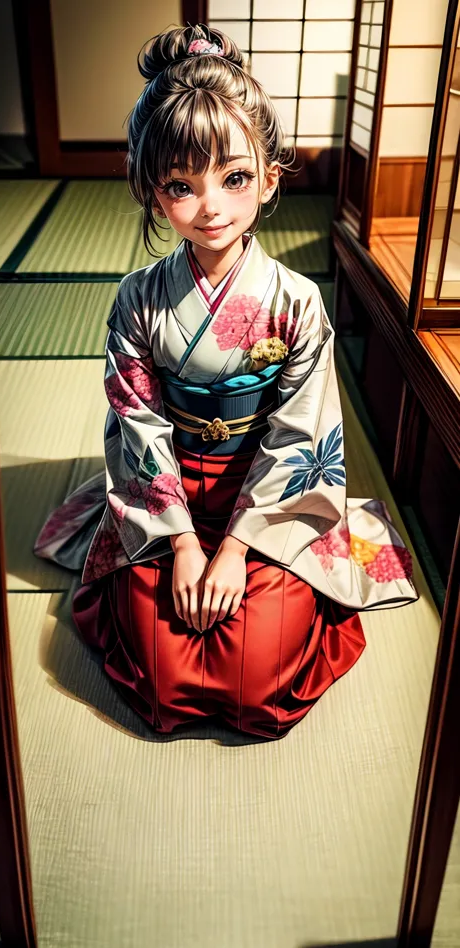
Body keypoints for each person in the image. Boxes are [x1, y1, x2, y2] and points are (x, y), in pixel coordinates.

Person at [35, 24, 417, 740]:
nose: (211, 206)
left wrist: (238, 548)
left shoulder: (297, 301)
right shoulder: (138, 301)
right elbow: (136, 424)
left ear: (272, 176)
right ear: (153, 194)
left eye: (235, 177)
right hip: (166, 494)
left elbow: (302, 436)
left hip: (266, 500)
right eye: (182, 185)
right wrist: (181, 543)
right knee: (163, 675)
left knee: (257, 683)